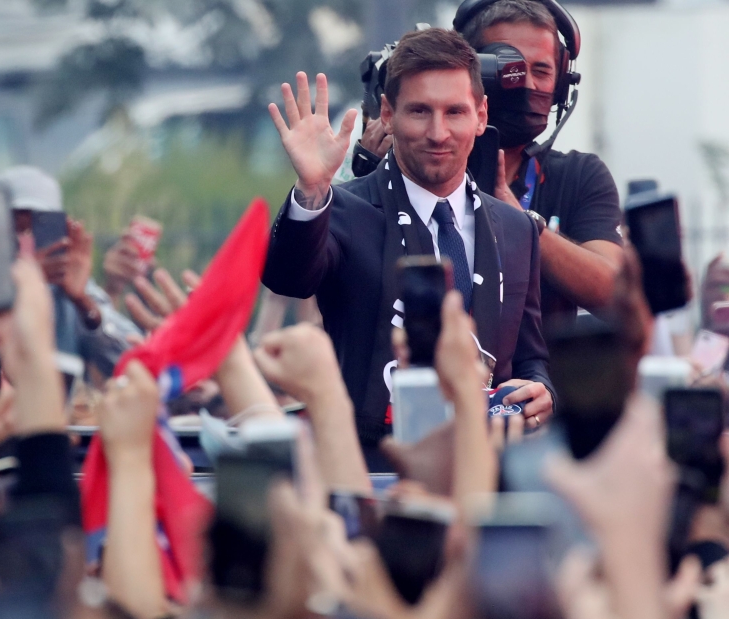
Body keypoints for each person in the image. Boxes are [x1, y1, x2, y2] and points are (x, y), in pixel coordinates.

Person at [262, 28, 553, 452]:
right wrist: (310, 191)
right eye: (419, 112)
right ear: (387, 113)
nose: (438, 133)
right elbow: (288, 279)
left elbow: (529, 358)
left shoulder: (516, 228)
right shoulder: (341, 209)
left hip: (487, 471)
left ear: (481, 115)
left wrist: (542, 391)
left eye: (454, 112)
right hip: (370, 470)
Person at [455, 0, 624, 324]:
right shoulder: (424, 160)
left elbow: (615, 292)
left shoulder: (579, 176)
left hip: (541, 374)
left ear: (561, 85)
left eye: (542, 70)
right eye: (511, 67)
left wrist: (523, 224)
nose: (528, 84)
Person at [0, 166, 140, 379]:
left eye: (37, 229)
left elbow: (134, 365)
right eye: (14, 228)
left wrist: (83, 303)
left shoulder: (70, 287)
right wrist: (18, 290)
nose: (25, 242)